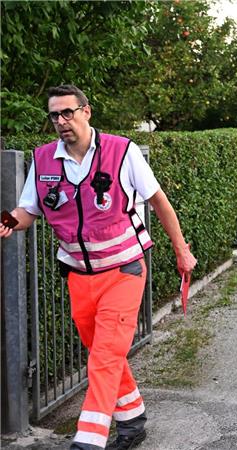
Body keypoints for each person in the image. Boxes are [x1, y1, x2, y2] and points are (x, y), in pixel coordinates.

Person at [0, 85, 196, 450]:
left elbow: (159, 202)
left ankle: (88, 441)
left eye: (67, 113)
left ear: (86, 112)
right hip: (79, 276)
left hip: (124, 271)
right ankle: (132, 420)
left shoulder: (123, 151)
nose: (60, 121)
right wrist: (8, 222)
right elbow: (27, 211)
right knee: (105, 354)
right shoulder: (43, 160)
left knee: (104, 358)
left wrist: (181, 250)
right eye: (54, 115)